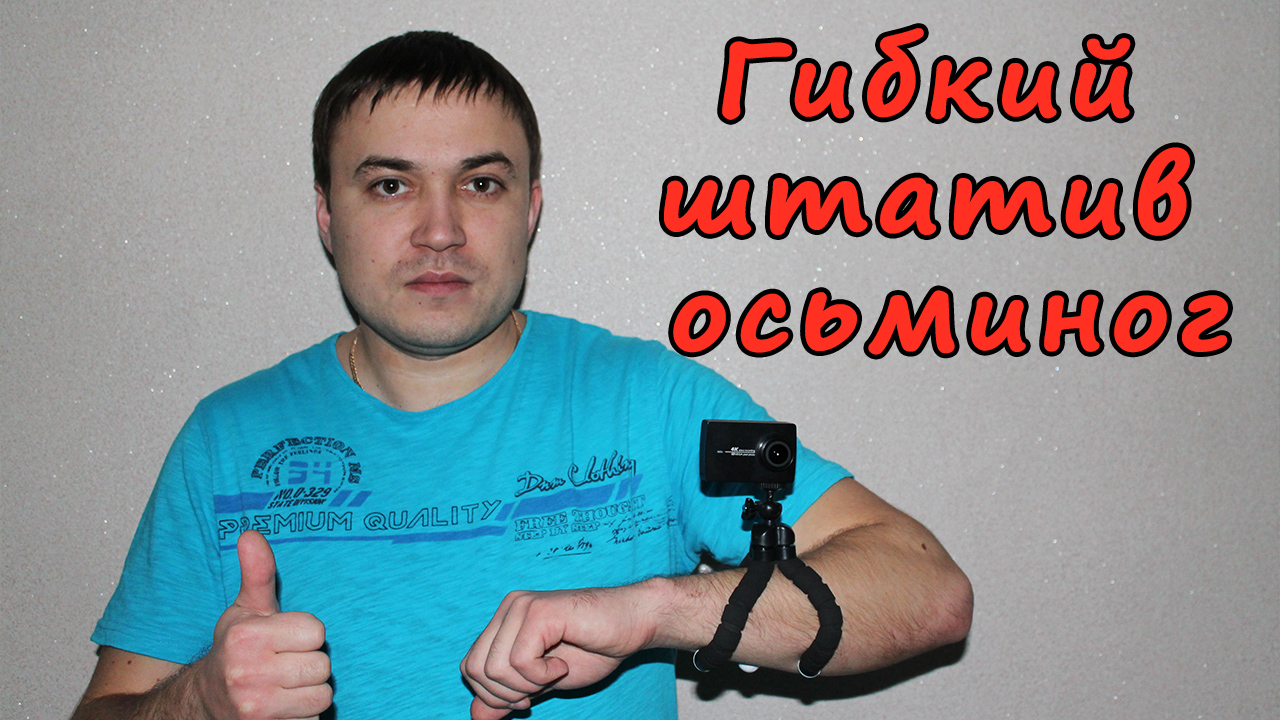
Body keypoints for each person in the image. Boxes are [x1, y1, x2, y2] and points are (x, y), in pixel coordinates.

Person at [71, 31, 972, 720]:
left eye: (481, 184)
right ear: (326, 216)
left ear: (529, 209)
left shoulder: (651, 402)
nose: (439, 231)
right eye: (389, 185)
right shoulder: (227, 439)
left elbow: (927, 589)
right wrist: (196, 703)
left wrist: (654, 611)